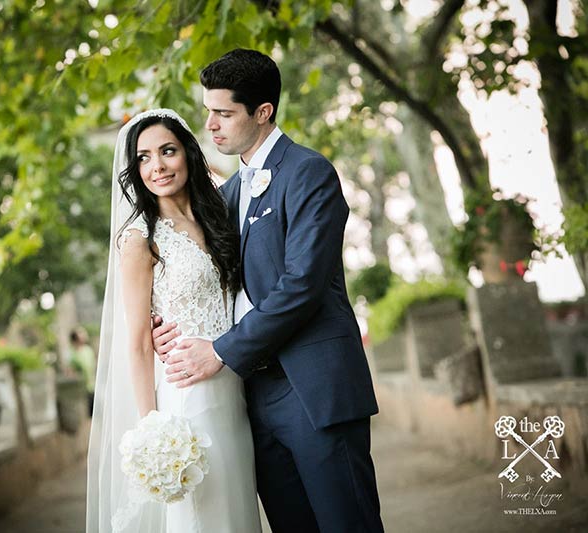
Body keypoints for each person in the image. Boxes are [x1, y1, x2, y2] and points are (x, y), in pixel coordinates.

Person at [153, 49, 384, 532]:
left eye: (224, 113)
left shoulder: (309, 173)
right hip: (252, 401)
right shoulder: (228, 192)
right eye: (208, 112)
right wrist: (164, 321)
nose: (210, 126)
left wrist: (220, 350)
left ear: (263, 113)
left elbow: (302, 284)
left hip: (313, 391)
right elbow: (206, 275)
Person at [86, 109, 262, 532]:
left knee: (237, 513)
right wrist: (152, 427)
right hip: (187, 401)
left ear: (188, 153)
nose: (157, 166)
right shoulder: (139, 239)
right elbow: (138, 342)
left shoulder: (218, 217)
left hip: (235, 394)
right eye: (144, 158)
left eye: (167, 151)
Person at [67, 327, 96, 415]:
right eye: (81, 333)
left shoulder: (88, 350)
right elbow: (70, 372)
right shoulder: (72, 354)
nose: (84, 334)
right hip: (83, 391)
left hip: (94, 386)